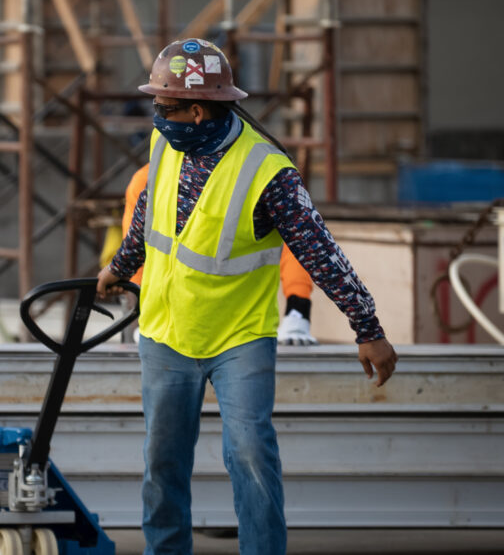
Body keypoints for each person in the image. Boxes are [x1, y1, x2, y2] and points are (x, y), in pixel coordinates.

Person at [96, 38, 397, 555]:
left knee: (252, 455)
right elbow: (149, 217)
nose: (155, 115)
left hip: (239, 338)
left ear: (196, 111)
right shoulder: (166, 142)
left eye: (163, 107)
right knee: (162, 463)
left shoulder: (266, 172)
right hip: (167, 334)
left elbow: (320, 252)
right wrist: (119, 268)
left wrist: (367, 328)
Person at [123, 168, 319, 346]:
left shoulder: (255, 171)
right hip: (169, 318)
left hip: (242, 322)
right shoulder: (147, 179)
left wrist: (298, 304)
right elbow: (136, 246)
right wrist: (142, 310)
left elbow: (293, 240)